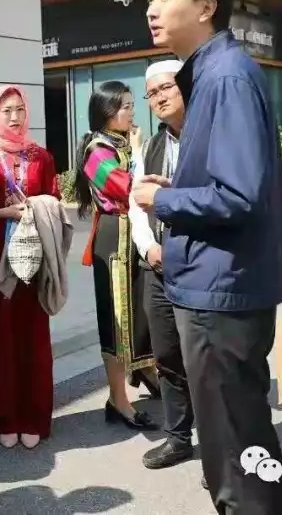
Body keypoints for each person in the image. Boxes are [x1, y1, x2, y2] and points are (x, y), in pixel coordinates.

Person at [132, 0, 282, 515]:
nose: (151, 9)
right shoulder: (210, 75)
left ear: (206, 7)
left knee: (238, 449)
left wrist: (163, 199)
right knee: (233, 444)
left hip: (220, 290)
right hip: (216, 285)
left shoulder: (225, 78)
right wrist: (176, 187)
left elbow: (239, 195)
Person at [0, 85, 59, 449]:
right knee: (0, 336)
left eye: (19, 109)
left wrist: (38, 209)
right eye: (6, 110)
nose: (14, 117)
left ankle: (34, 416)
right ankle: (3, 418)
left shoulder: (41, 156)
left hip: (34, 258)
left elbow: (55, 201)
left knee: (34, 335)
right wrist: (6, 212)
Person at [71, 81, 158, 431]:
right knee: (116, 319)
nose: (131, 112)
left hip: (134, 233)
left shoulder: (119, 143)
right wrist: (137, 152)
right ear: (106, 111)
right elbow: (128, 188)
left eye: (132, 105)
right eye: (124, 106)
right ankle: (118, 399)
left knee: (140, 312)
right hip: (114, 238)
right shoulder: (97, 149)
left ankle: (146, 370)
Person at [128, 60, 196, 470]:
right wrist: (148, 247)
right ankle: (178, 437)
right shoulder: (151, 145)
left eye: (166, 88)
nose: (159, 98)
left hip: (201, 264)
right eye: (151, 93)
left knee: (205, 358)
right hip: (157, 263)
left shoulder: (207, 136)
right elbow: (136, 202)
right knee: (168, 355)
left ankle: (221, 447)